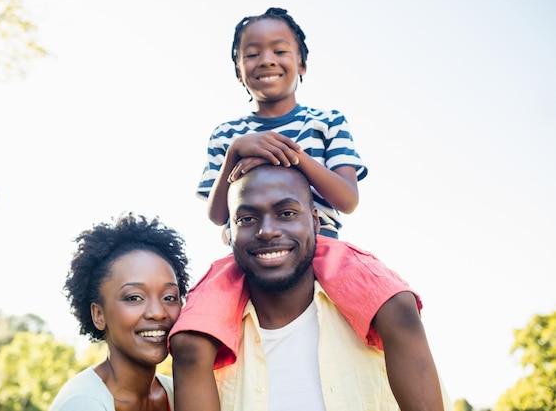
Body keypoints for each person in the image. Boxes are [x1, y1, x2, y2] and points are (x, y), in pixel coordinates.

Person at [170, 165, 452, 411]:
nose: (267, 230)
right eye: (246, 219)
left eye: (287, 213)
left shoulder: (384, 319)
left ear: (316, 222)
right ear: (228, 234)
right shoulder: (205, 349)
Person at [198, 7, 367, 241]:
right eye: (252, 54)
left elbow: (348, 200)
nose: (267, 61)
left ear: (302, 64)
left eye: (279, 51)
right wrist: (234, 152)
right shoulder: (226, 136)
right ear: (238, 70)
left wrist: (285, 156)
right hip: (252, 256)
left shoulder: (328, 123)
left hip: (322, 251)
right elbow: (218, 216)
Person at [49, 213, 191, 411]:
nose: (158, 313)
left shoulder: (180, 396)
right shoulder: (82, 403)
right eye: (134, 297)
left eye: (169, 297)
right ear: (99, 315)